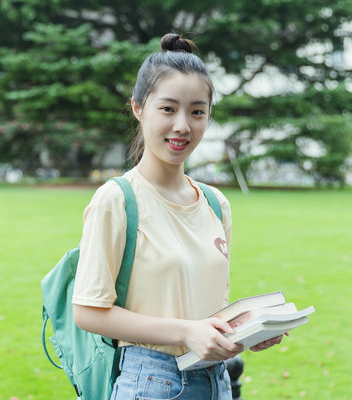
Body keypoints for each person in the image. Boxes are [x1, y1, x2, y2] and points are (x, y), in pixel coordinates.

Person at [72, 33, 283, 399]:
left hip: (215, 382)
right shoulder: (117, 200)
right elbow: (88, 312)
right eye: (168, 109)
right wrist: (186, 332)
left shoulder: (216, 204)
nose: (183, 125)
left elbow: (208, 310)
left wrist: (247, 330)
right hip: (150, 382)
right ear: (138, 108)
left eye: (197, 111)